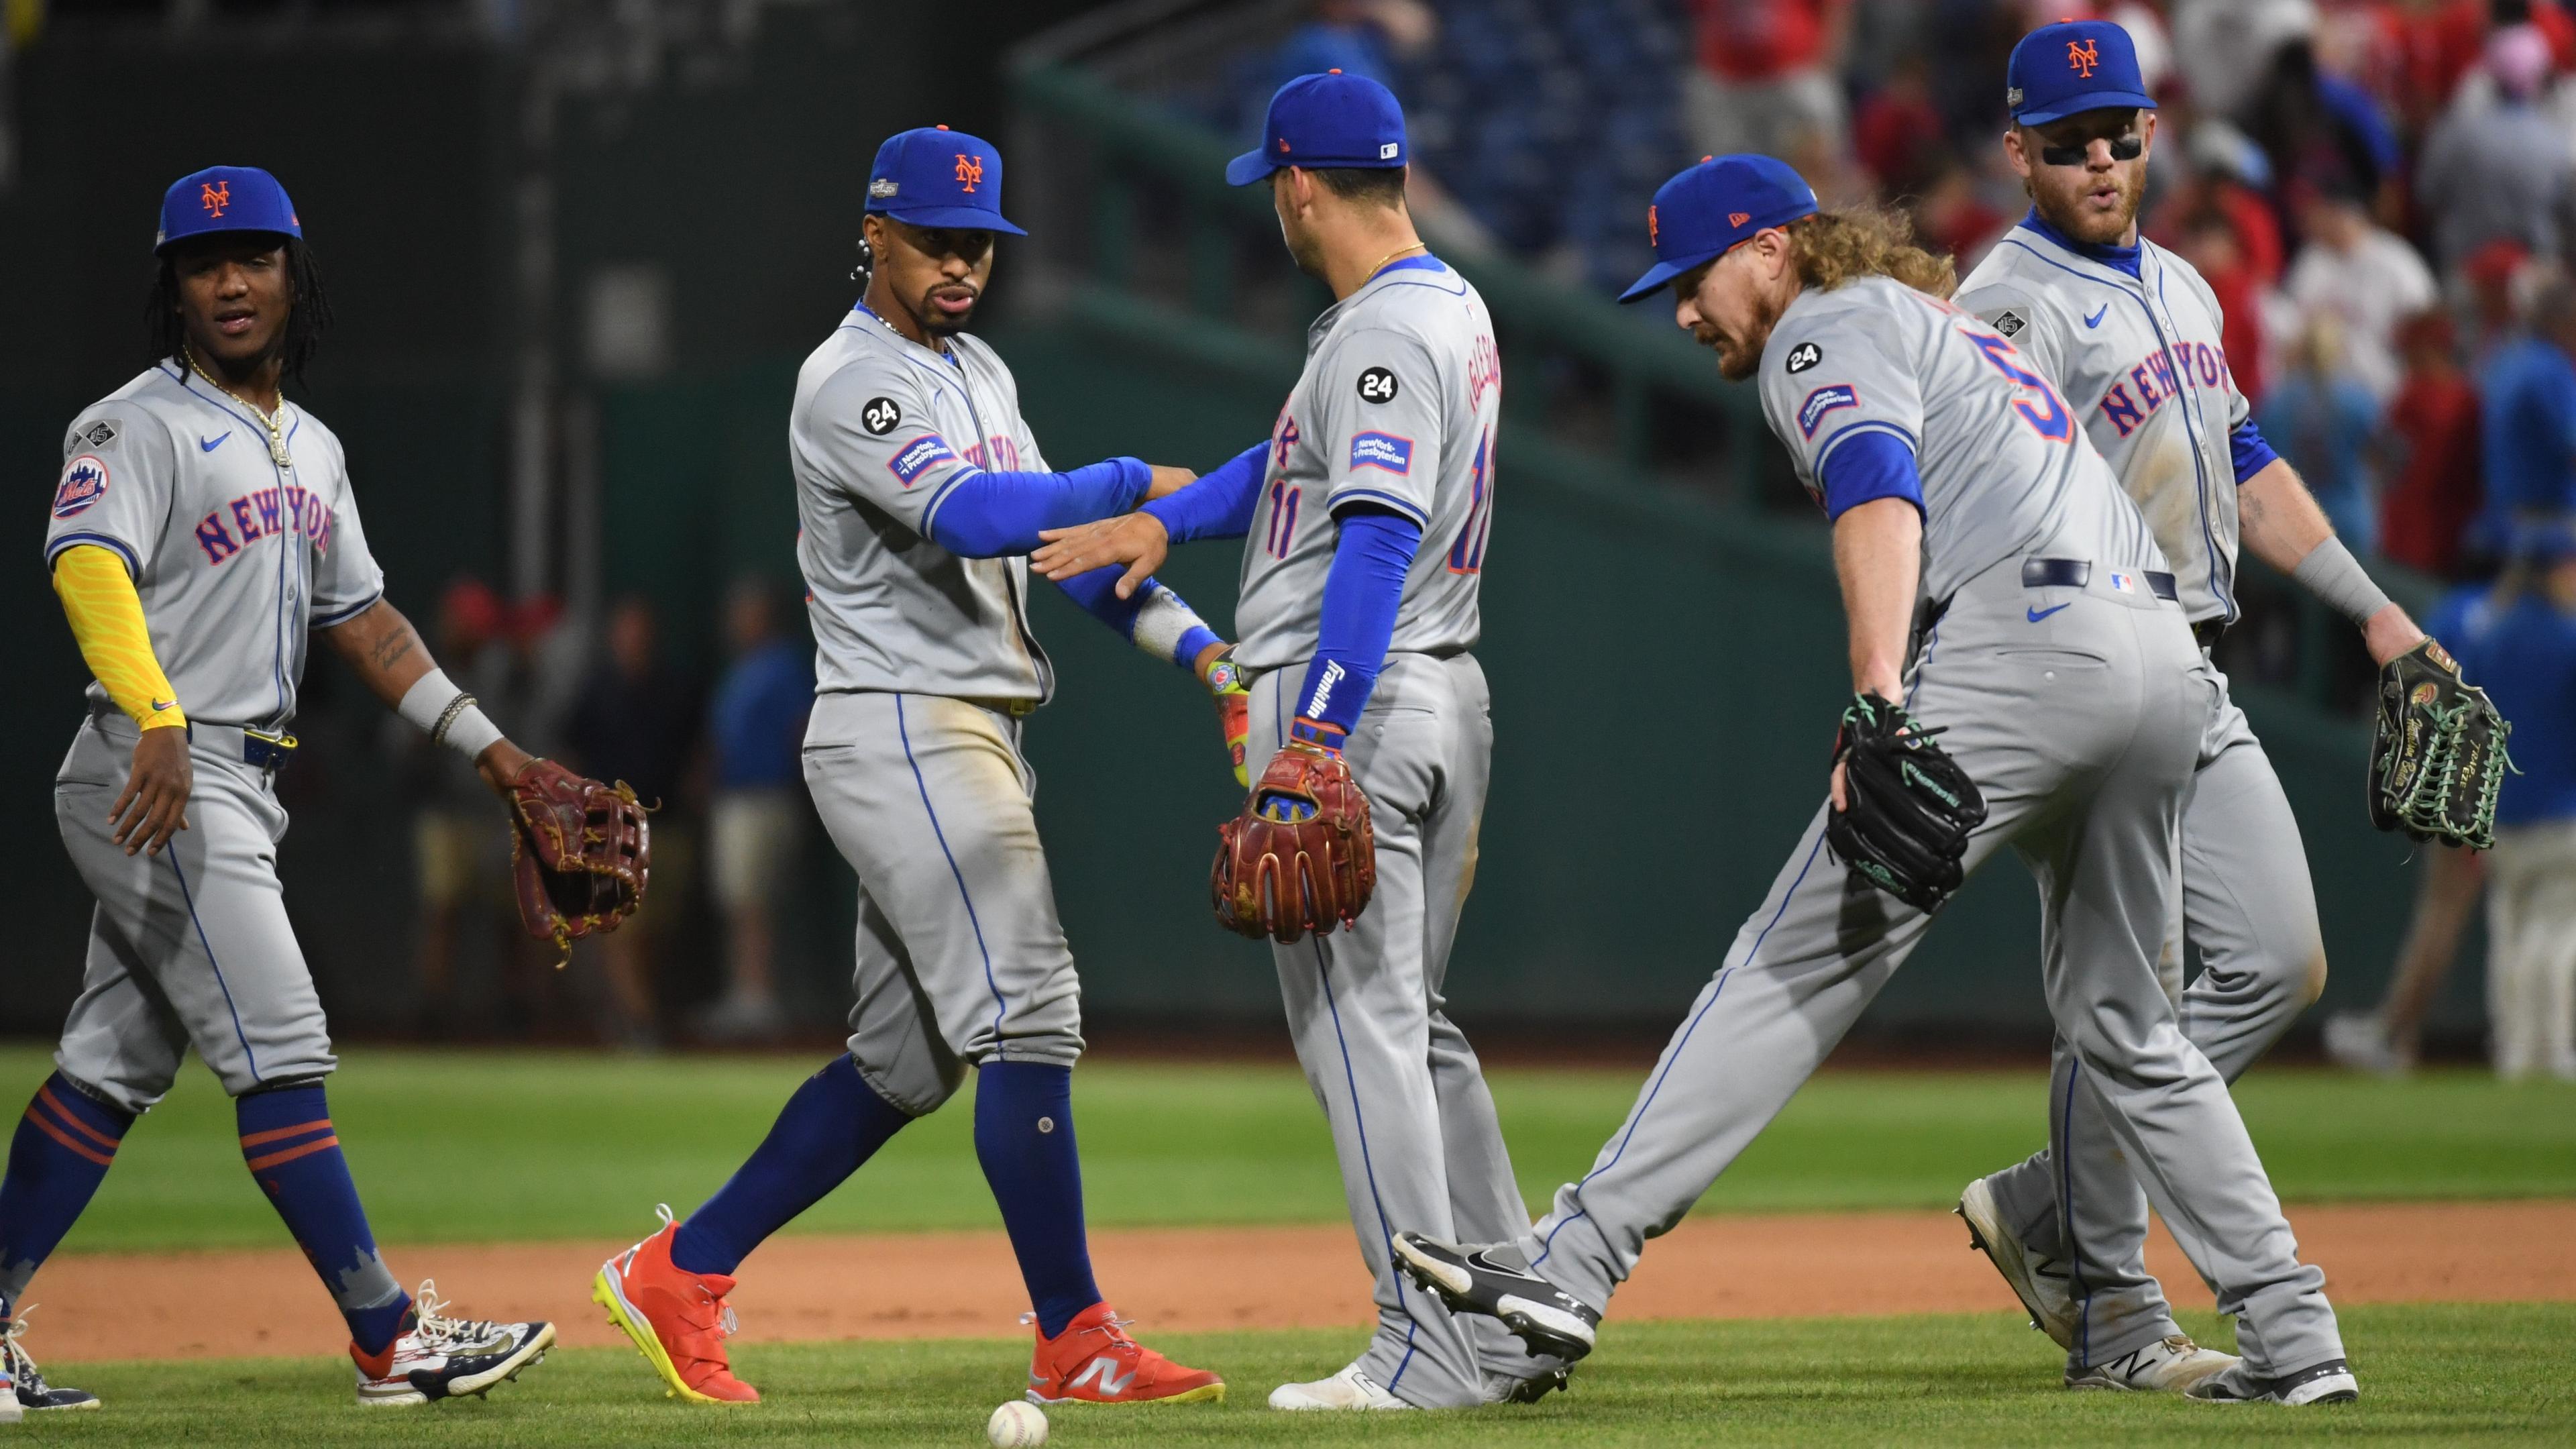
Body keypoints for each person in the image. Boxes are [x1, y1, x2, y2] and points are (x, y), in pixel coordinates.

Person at [1391, 150, 2356, 1408]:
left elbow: (1874, 491)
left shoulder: (1825, 326)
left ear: (1774, 250)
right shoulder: (1936, 321)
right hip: (2162, 658)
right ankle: (2296, 1338)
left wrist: (1878, 696)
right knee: (2132, 1027)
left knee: (1790, 961)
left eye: (1694, 277)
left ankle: (1569, 1263)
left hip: (2029, 648)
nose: (1682, 311)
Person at [589, 126, 1233, 1409]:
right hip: (901, 723)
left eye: (980, 241)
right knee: (1031, 1012)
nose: (962, 263)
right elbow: (981, 514)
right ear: (871, 234)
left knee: (904, 1067)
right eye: (936, 238)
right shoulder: (848, 380)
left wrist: (1210, 658)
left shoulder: (982, 369)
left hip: (965, 729)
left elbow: (1066, 551)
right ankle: (1075, 1334)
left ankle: (681, 1267)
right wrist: (1120, 476)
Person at [1940, 18, 2453, 1397]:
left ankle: (2051, 1196)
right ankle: (2113, 1319)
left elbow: (2249, 460)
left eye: (2119, 134)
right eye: (2068, 142)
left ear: (2152, 136)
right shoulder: (2009, 302)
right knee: (2132, 1002)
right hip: (2094, 667)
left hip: (2202, 669)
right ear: (2020, 153)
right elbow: (1972, 507)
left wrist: (2379, 612)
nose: (2099, 159)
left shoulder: (2179, 281)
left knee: (2280, 963)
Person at [1030, 71, 1547, 1411]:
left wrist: (1312, 736)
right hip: (1431, 692)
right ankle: (1514, 1308)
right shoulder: (1435, 309)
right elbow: (1291, 469)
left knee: (1358, 1028)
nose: (1273, 203)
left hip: (1358, 706)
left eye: (1273, 183)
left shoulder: (1381, 333)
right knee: (1414, 1025)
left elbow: (1371, 530)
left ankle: (1427, 1347)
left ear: (1298, 186)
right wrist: (1166, 521)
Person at [16, 165, 556, 1411]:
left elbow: (364, 622)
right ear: (176, 288)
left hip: (232, 778)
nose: (231, 280)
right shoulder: (131, 423)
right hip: (157, 770)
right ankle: (388, 1343)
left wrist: (497, 753)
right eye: (205, 263)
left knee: (109, 1063)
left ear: (292, 275)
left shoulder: (310, 444)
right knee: (286, 1048)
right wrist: (155, 714)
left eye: (253, 257)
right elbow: (88, 570)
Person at [564, 596, 702, 1050]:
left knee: (658, 930)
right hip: (612, 829)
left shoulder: (677, 689)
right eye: (626, 630)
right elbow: (569, 752)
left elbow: (700, 753)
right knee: (621, 927)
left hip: (669, 824)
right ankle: (640, 1022)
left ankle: (631, 1015)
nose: (634, 639)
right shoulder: (595, 692)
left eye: (641, 630)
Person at [700, 576, 814, 1043]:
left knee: (754, 902)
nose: (736, 621)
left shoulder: (782, 665)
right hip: (735, 799)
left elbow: (800, 728)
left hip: (766, 797)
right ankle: (746, 995)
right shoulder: (742, 667)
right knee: (740, 901)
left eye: (745, 611)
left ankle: (757, 999)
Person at [2283, 186, 2438, 405]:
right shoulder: (2312, 261)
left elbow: (2426, 325)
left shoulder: (2397, 261)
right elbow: (2289, 334)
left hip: (2384, 392)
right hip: (2323, 404)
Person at [2257, 312, 2383, 553]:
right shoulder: (2358, 400)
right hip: (2349, 520)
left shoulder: (2277, 401)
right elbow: (2390, 457)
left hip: (2293, 522)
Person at [2375, 310, 2484, 580]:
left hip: (2412, 535)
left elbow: (2383, 463)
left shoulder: (2412, 396)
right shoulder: (2469, 397)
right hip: (2450, 533)